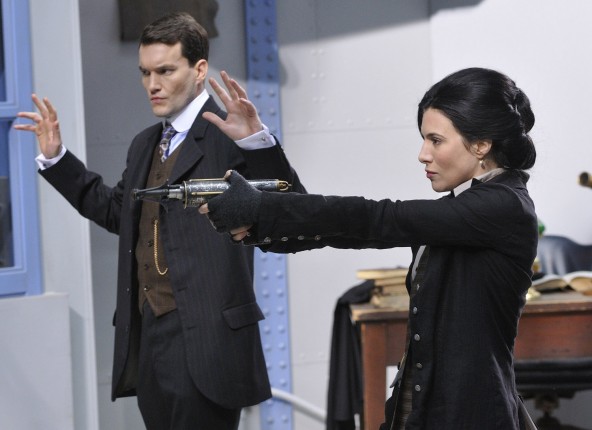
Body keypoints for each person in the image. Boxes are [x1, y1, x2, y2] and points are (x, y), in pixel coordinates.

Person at [199, 67, 539, 429]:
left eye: (436, 140)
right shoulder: (464, 209)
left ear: (482, 144)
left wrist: (259, 208)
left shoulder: (503, 206)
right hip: (421, 413)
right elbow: (329, 226)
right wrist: (258, 146)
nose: (423, 154)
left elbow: (377, 219)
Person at [14, 11, 305, 430]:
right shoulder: (145, 144)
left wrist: (258, 143)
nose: (152, 84)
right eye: (145, 73)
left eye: (165, 71)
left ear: (199, 70)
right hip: (150, 339)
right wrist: (57, 159)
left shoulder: (231, 136)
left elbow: (293, 210)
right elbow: (117, 212)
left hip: (209, 344)